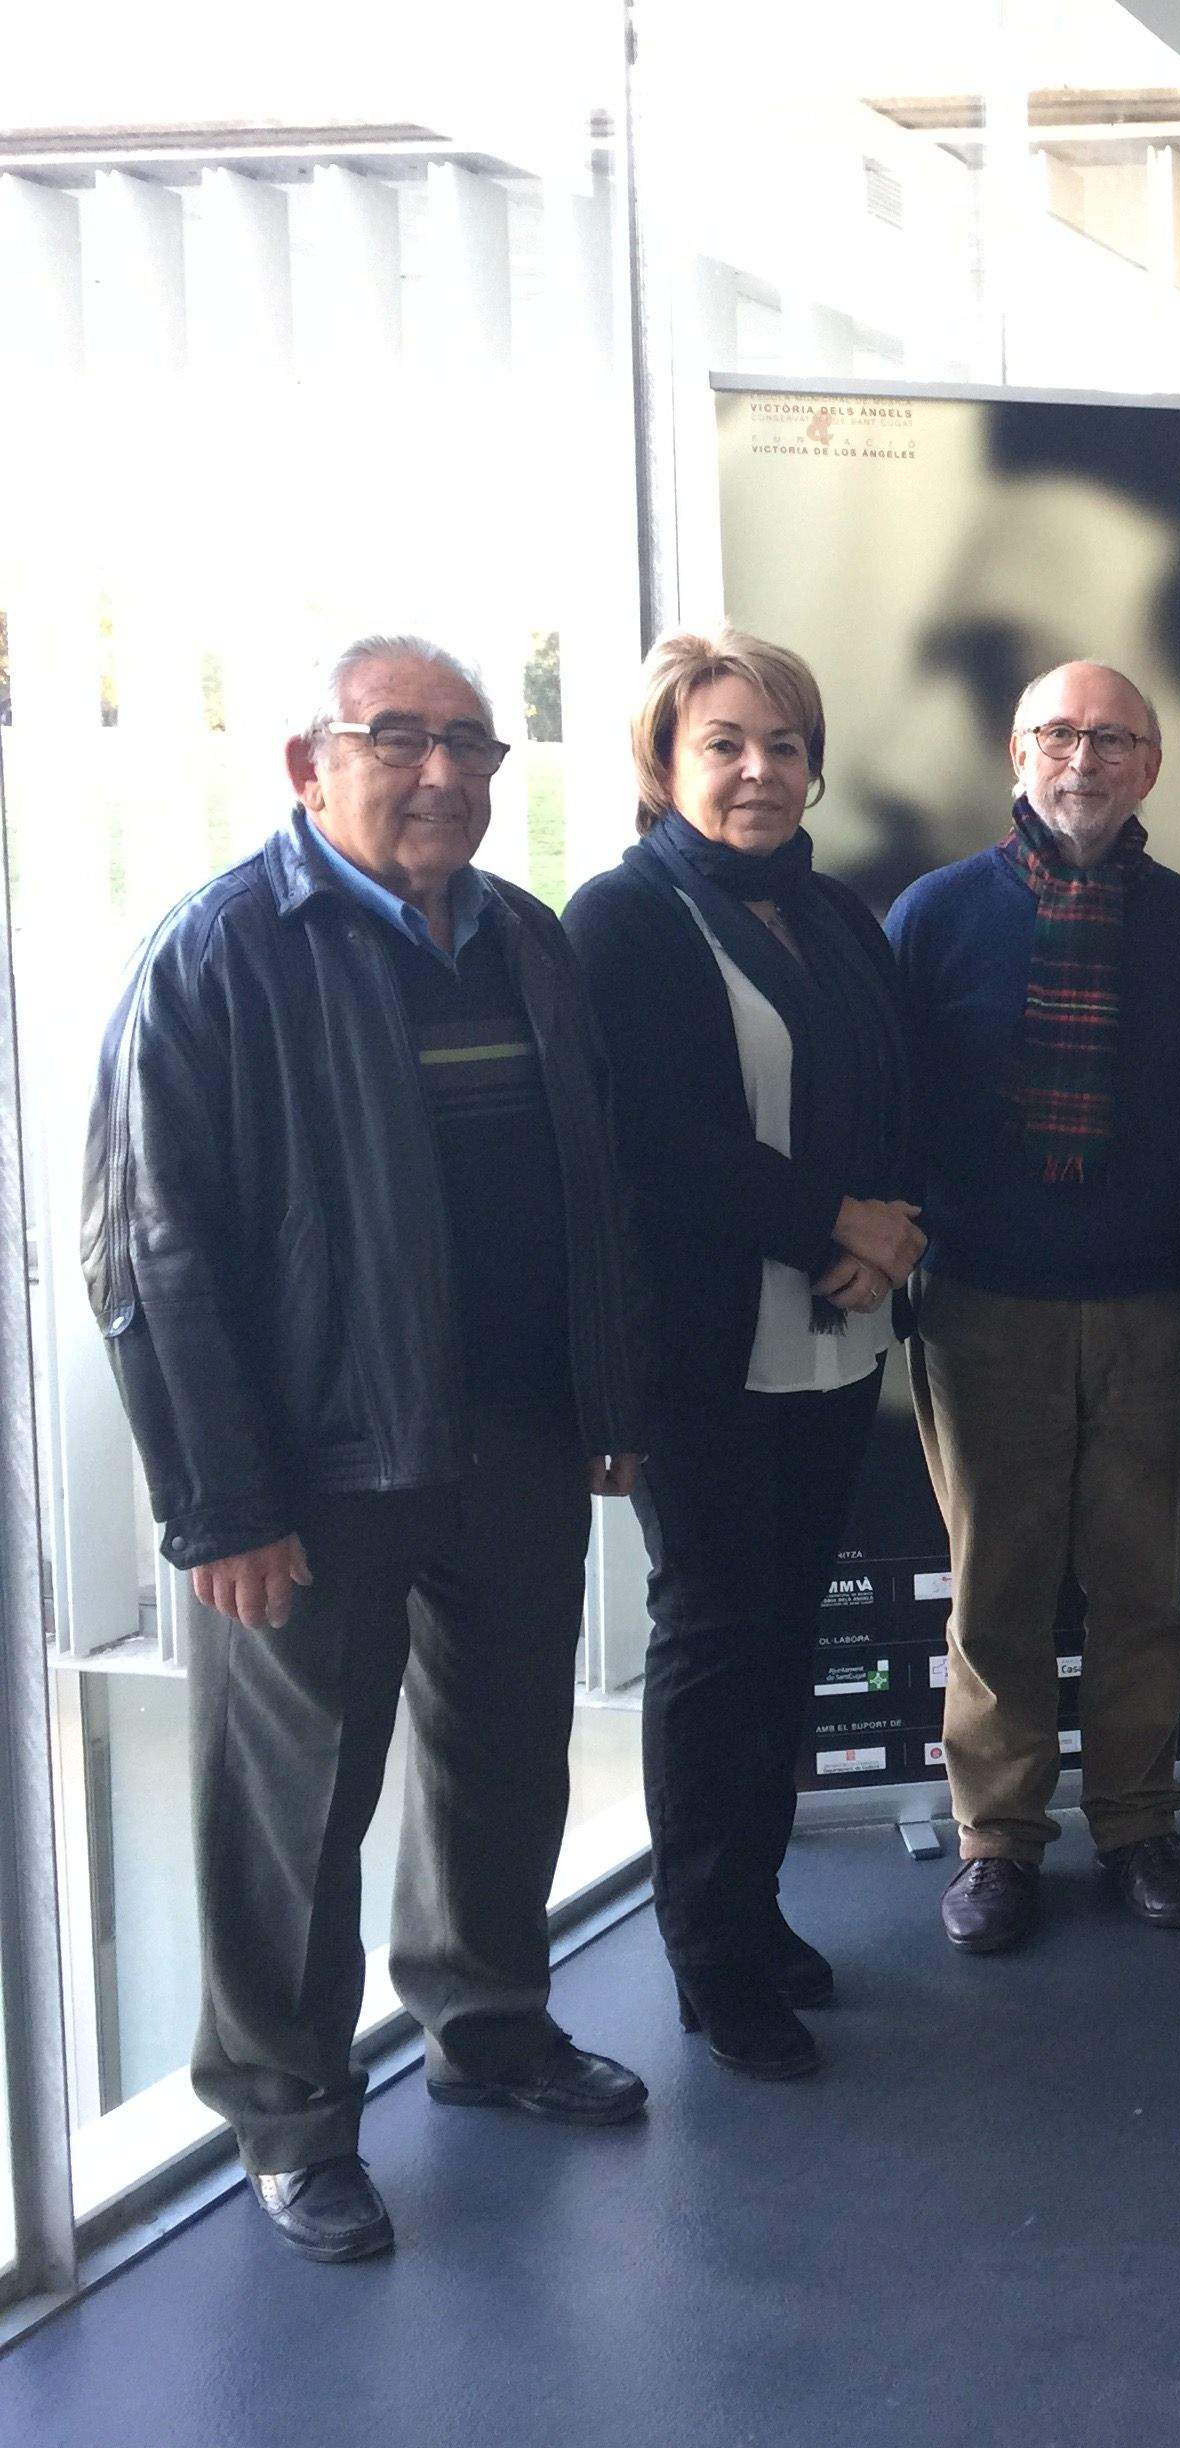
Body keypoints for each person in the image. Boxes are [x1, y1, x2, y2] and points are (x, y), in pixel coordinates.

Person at [85, 634, 651, 2261]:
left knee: (502, 1753)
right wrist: (220, 1505)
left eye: (469, 745)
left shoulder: (526, 940)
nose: (441, 774)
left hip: (519, 1435)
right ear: (306, 763)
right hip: (311, 1469)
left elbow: (591, 1186)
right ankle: (289, 2115)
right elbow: (147, 1244)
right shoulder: (221, 952)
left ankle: (487, 2024)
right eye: (398, 738)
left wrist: (605, 1405)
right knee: (294, 1805)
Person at [567, 629, 918, 2083]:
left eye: (782, 744)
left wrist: (884, 1234)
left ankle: (756, 1909)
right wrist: (836, 1216)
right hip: (705, 1353)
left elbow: (895, 1087)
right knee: (716, 1645)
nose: (759, 771)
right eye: (723, 745)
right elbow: (657, 1150)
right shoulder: (621, 919)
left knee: (784, 1637)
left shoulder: (831, 912)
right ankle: (709, 1955)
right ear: (664, 764)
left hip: (833, 1335)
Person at [884, 661, 1180, 1959]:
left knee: (1146, 1587)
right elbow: (890, 1110)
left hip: (1152, 1305)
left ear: (1150, 766)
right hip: (985, 1309)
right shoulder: (932, 916)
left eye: (1114, 738)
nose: (1084, 758)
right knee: (997, 1592)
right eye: (1059, 734)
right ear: (1016, 756)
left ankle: (1139, 1823)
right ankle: (998, 1844)